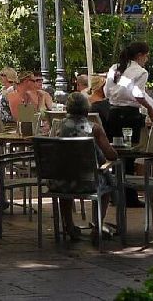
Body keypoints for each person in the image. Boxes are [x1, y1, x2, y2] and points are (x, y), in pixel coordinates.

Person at [52, 91, 118, 241]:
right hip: (88, 183)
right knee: (107, 183)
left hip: (60, 183)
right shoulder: (94, 129)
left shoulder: (58, 128)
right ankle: (97, 225)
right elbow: (111, 155)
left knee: (67, 177)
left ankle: (69, 225)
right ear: (86, 109)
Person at [104, 41, 153, 144]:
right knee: (131, 147)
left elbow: (106, 92)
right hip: (130, 115)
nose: (146, 60)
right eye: (146, 56)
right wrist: (150, 108)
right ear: (139, 55)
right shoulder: (141, 72)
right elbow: (138, 95)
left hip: (112, 113)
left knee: (116, 146)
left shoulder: (114, 68)